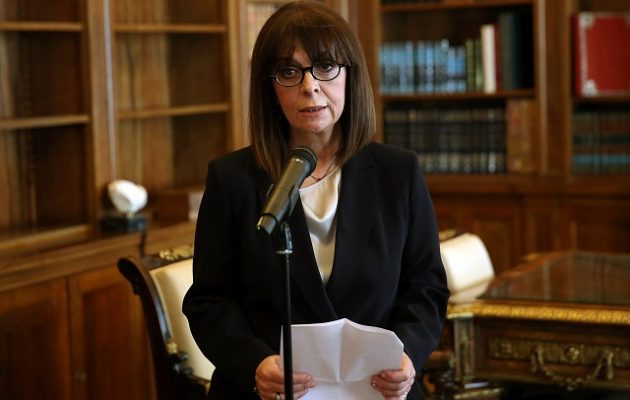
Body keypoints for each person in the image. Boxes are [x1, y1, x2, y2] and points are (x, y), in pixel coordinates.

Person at [182, 1, 449, 399]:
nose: (310, 86)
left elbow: (426, 287)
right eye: (289, 72)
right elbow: (210, 300)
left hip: (376, 390)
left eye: (325, 66)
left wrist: (408, 356)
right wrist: (254, 363)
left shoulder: (398, 172)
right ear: (270, 88)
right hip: (270, 392)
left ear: (350, 76)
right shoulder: (232, 178)